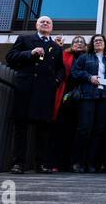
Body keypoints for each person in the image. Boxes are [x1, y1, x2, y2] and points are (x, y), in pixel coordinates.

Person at [6, 16, 64, 174]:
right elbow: (10, 58)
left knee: (43, 129)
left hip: (45, 92)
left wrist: (56, 82)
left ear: (51, 27)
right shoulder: (25, 39)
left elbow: (60, 69)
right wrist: (29, 53)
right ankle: (18, 163)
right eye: (42, 22)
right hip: (26, 88)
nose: (45, 23)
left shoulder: (56, 47)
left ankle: (41, 164)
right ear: (36, 25)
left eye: (48, 22)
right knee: (21, 128)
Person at [70, 34, 106, 173]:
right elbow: (74, 72)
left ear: (105, 44)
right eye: (95, 41)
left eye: (100, 40)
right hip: (88, 96)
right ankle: (78, 162)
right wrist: (89, 77)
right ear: (92, 44)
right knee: (84, 129)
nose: (98, 42)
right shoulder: (85, 57)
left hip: (104, 97)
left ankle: (91, 163)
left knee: (99, 131)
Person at [50, 35, 86, 172]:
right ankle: (56, 163)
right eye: (76, 41)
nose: (78, 43)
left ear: (85, 45)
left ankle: (73, 163)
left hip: (82, 98)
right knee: (60, 130)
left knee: (77, 131)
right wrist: (57, 47)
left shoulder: (88, 58)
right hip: (64, 96)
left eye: (81, 42)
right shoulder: (64, 54)